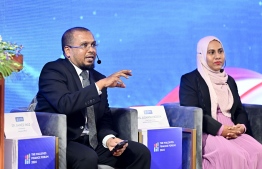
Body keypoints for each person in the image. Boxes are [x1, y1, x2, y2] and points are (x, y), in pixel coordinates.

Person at [35, 27, 151, 169]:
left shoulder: (98, 78)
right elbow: (64, 104)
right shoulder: (53, 71)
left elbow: (104, 118)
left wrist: (109, 139)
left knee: (139, 152)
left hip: (93, 142)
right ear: (67, 51)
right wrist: (99, 85)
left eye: (93, 45)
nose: (92, 50)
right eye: (84, 45)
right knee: (87, 158)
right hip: (64, 140)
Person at [179, 36, 262, 169]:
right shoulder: (190, 80)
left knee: (258, 151)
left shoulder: (229, 80)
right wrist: (220, 129)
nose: (217, 56)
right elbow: (193, 113)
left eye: (220, 51)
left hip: (234, 130)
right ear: (201, 55)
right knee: (233, 155)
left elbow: (239, 110)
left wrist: (241, 127)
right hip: (208, 131)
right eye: (211, 52)